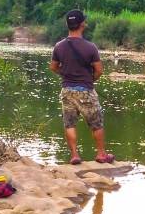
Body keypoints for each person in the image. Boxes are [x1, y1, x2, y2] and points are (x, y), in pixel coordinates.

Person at [49, 9, 115, 164]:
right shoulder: (91, 47)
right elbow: (99, 71)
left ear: (67, 24)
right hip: (86, 91)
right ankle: (101, 154)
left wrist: (65, 75)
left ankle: (74, 156)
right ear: (82, 24)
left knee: (69, 123)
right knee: (96, 123)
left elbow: (53, 67)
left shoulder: (59, 46)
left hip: (67, 90)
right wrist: (89, 80)